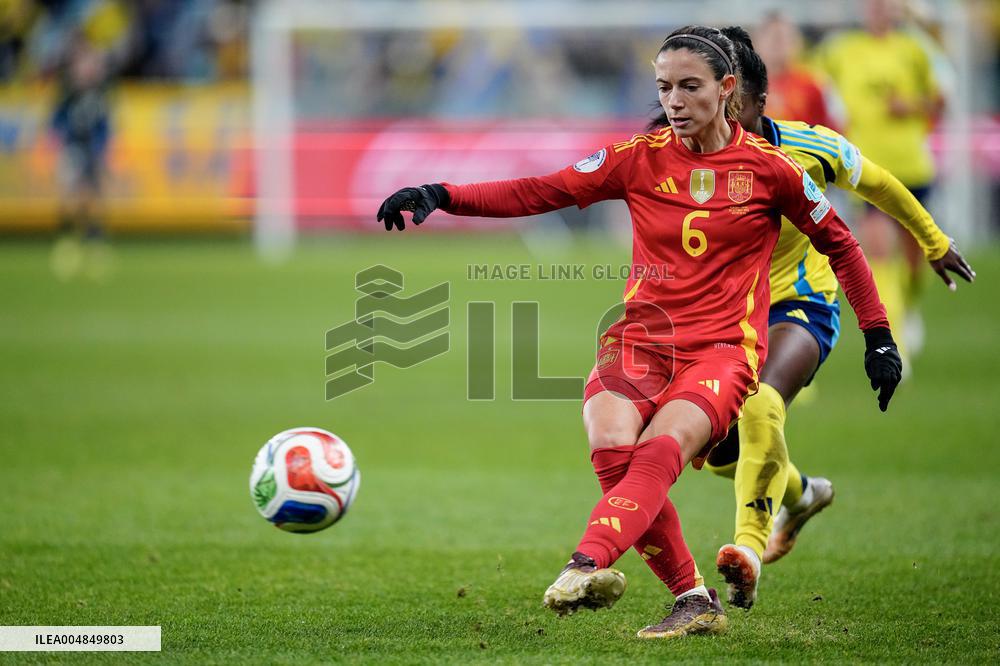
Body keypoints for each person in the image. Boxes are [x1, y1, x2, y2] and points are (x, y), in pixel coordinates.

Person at [376, 26, 902, 639]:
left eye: (689, 86)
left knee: (660, 450)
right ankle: (694, 599)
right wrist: (441, 194)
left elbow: (842, 243)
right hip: (639, 340)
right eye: (664, 88)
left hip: (722, 351)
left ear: (728, 88)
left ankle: (584, 562)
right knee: (609, 447)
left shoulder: (771, 170)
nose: (674, 101)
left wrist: (879, 337)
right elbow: (539, 191)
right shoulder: (638, 158)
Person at [664, 26, 974, 611]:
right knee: (717, 452)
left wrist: (933, 242)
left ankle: (747, 552)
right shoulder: (684, 154)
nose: (720, 119)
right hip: (727, 319)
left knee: (761, 404)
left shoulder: (810, 149)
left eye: (732, 108)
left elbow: (882, 186)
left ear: (755, 100)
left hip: (801, 305)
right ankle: (802, 494)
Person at [819, 0, 946, 363]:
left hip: (912, 166)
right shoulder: (841, 50)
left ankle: (909, 306)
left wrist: (912, 106)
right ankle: (896, 342)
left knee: (914, 258)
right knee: (877, 250)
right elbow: (815, 84)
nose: (877, 9)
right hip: (865, 170)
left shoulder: (915, 48)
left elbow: (940, 101)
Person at [752, 12, 839, 128]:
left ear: (796, 43)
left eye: (783, 38)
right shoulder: (743, 87)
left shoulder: (814, 84)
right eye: (772, 37)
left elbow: (832, 129)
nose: (777, 44)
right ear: (756, 41)